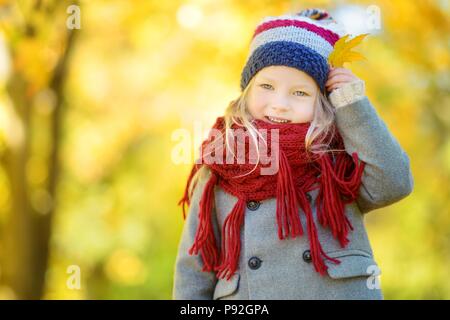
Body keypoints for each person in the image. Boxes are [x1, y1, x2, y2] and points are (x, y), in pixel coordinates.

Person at [173, 8, 414, 300]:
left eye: (300, 93)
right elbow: (193, 269)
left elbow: (394, 182)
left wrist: (352, 103)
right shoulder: (221, 163)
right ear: (246, 91)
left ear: (323, 101)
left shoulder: (336, 155)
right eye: (266, 86)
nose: (280, 104)